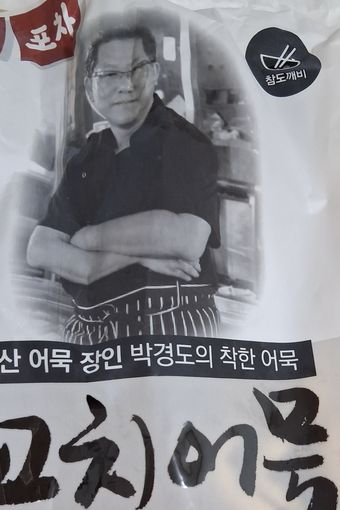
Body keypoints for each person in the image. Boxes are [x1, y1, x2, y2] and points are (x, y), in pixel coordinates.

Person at [27, 21, 221, 344]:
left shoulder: (185, 143)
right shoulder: (87, 157)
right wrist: (140, 255)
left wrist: (88, 238)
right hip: (87, 326)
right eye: (110, 75)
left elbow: (186, 239)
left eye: (136, 69)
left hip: (169, 322)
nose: (126, 85)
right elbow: (40, 250)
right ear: (90, 87)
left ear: (154, 72)